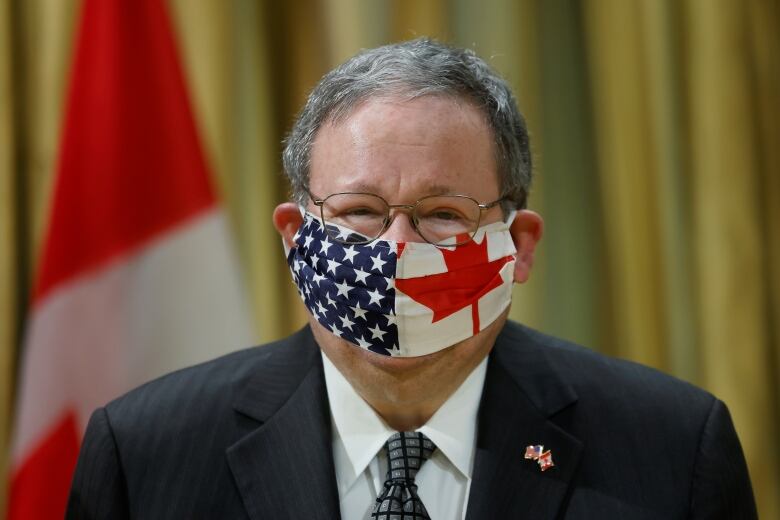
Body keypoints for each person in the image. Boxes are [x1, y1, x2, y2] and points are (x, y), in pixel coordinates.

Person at [67, 38, 756, 519]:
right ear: (296, 237)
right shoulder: (145, 455)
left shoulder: (671, 450)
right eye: (360, 212)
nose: (397, 254)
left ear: (517, 246)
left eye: (443, 214)